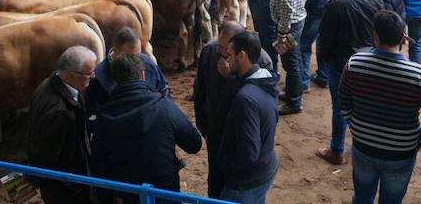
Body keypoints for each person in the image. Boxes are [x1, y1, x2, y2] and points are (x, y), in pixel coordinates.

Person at [339, 10, 421, 204]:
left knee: (362, 196)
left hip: (364, 146)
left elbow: (343, 102)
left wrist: (356, 126)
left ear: (375, 36)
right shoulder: (420, 76)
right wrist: (419, 140)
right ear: (403, 39)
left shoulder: (355, 63)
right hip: (402, 152)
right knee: (392, 200)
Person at [90, 53, 201, 201]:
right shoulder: (164, 107)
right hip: (165, 193)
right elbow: (194, 144)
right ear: (143, 75)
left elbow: (99, 164)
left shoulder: (103, 117)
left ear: (115, 81)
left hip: (127, 194)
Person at [316, 0, 386, 165]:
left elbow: (325, 37)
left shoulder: (336, 3)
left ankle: (337, 150)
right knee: (367, 104)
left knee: (340, 106)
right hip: (370, 60)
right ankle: (367, 147)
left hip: (342, 63)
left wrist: (323, 61)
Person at [194, 21, 273, 198]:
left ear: (240, 49)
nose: (222, 52)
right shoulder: (209, 51)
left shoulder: (262, 61)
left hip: (242, 141)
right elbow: (200, 90)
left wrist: (229, 78)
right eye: (220, 46)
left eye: (227, 49)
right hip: (216, 134)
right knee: (214, 184)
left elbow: (257, 99)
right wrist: (202, 124)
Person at [26, 45, 98, 204]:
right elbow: (48, 156)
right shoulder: (60, 112)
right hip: (68, 189)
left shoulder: (46, 84)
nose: (93, 76)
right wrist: (71, 187)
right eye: (89, 73)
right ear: (72, 76)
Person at [219, 31, 280, 203]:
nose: (226, 59)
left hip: (246, 182)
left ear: (242, 55)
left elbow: (248, 154)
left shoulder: (245, 100)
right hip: (267, 165)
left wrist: (226, 164)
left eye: (229, 54)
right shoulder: (266, 79)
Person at [87, 27, 168, 124]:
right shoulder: (99, 76)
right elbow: (98, 114)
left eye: (137, 55)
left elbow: (164, 91)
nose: (135, 61)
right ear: (116, 50)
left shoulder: (147, 62)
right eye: (129, 56)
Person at [269, 0, 307, 116]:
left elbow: (286, 8)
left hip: (290, 25)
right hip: (298, 20)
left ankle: (294, 102)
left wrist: (282, 33)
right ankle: (292, 92)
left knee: (291, 64)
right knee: (293, 61)